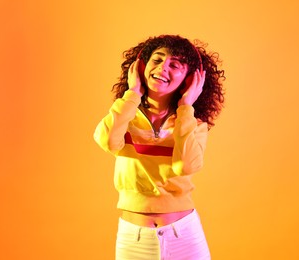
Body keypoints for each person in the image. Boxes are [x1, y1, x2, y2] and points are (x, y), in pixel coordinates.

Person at [94, 34, 225, 260]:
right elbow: (106, 141)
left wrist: (186, 107)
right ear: (142, 66)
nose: (163, 68)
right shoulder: (125, 114)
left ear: (189, 79)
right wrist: (132, 94)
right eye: (157, 60)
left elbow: (185, 166)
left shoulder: (193, 123)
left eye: (174, 65)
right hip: (133, 239)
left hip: (184, 235)